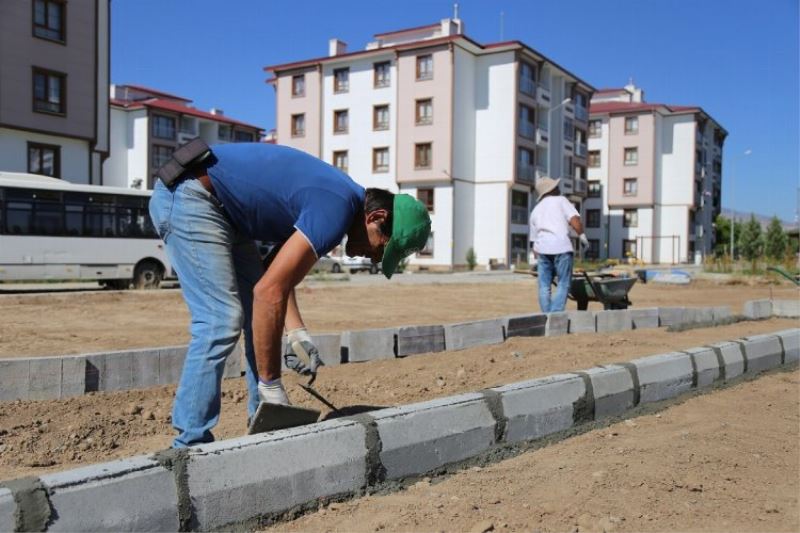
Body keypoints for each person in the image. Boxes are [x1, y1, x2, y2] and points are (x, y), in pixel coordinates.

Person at [148, 142, 431, 447]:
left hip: (227, 214)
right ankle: (190, 444)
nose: (374, 259)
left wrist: (297, 332)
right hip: (192, 196)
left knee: (256, 319)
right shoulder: (336, 207)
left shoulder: (338, 202)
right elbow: (270, 291)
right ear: (375, 217)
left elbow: (276, 277)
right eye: (382, 249)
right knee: (221, 319)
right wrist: (271, 382)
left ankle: (263, 422)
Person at [529, 177, 588, 313]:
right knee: (563, 283)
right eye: (556, 186)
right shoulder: (561, 201)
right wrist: (582, 236)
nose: (559, 188)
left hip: (542, 249)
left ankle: (546, 316)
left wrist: (539, 255)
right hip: (561, 247)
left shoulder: (535, 210)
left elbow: (534, 242)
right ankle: (555, 315)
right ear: (552, 189)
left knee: (544, 286)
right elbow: (575, 221)